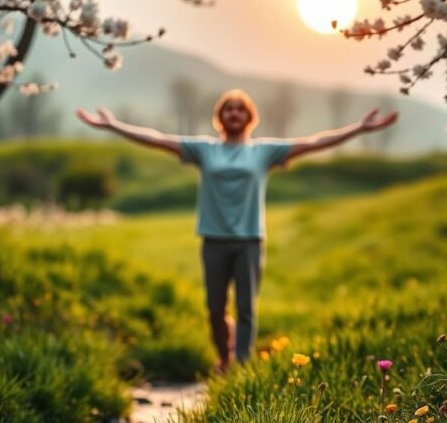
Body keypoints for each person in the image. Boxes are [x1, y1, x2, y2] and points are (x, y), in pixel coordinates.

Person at [76, 91, 398, 371]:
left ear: (249, 116)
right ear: (220, 117)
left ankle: (241, 367)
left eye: (240, 108)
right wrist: (114, 125)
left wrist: (359, 128)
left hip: (249, 241)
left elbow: (313, 142)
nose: (234, 113)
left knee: (246, 308)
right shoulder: (204, 150)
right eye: (228, 108)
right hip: (213, 239)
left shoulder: (263, 151)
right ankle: (224, 357)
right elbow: (157, 139)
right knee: (215, 310)